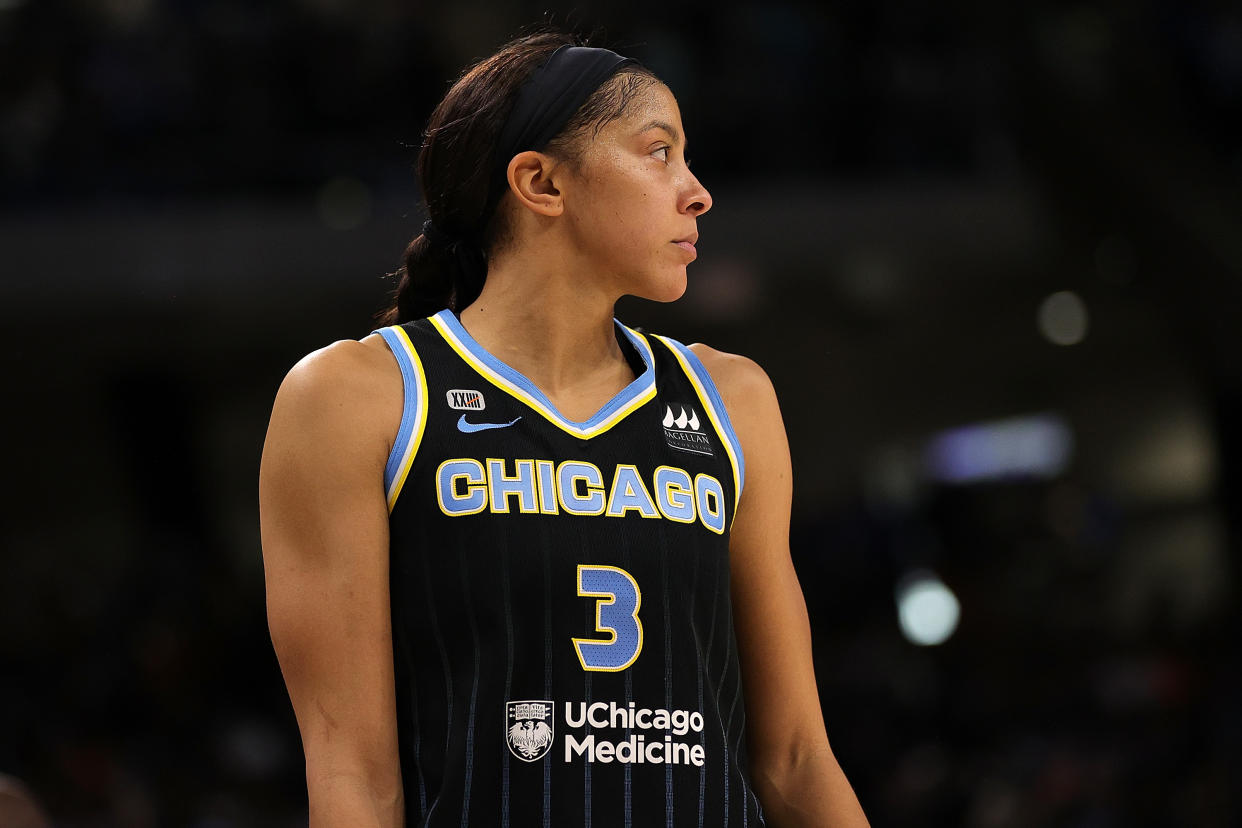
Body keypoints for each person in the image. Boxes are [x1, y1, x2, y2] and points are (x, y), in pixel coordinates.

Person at [259, 30, 869, 827]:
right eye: (659, 152)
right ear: (540, 182)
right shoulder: (358, 396)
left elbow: (794, 758)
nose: (697, 192)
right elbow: (353, 778)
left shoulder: (731, 397)